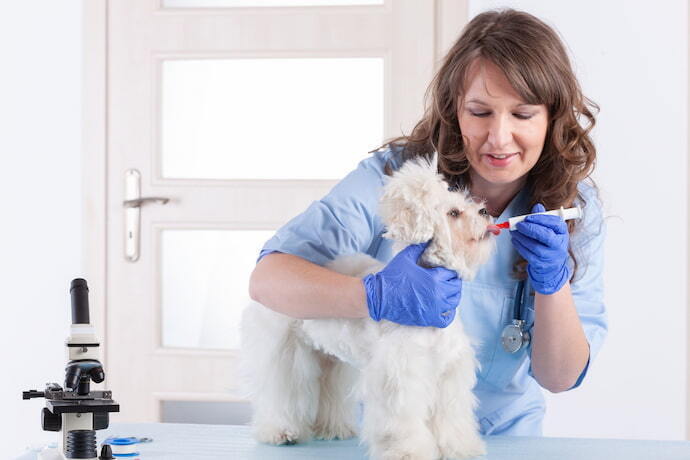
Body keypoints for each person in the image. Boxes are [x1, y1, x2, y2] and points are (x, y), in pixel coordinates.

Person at [249, 8, 607, 436]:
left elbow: (560, 377)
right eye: (479, 112)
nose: (498, 137)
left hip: (507, 438)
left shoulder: (572, 206)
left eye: (523, 114)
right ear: (454, 109)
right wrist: (374, 296)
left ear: (552, 117)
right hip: (388, 433)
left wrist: (553, 285)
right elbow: (267, 281)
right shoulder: (397, 181)